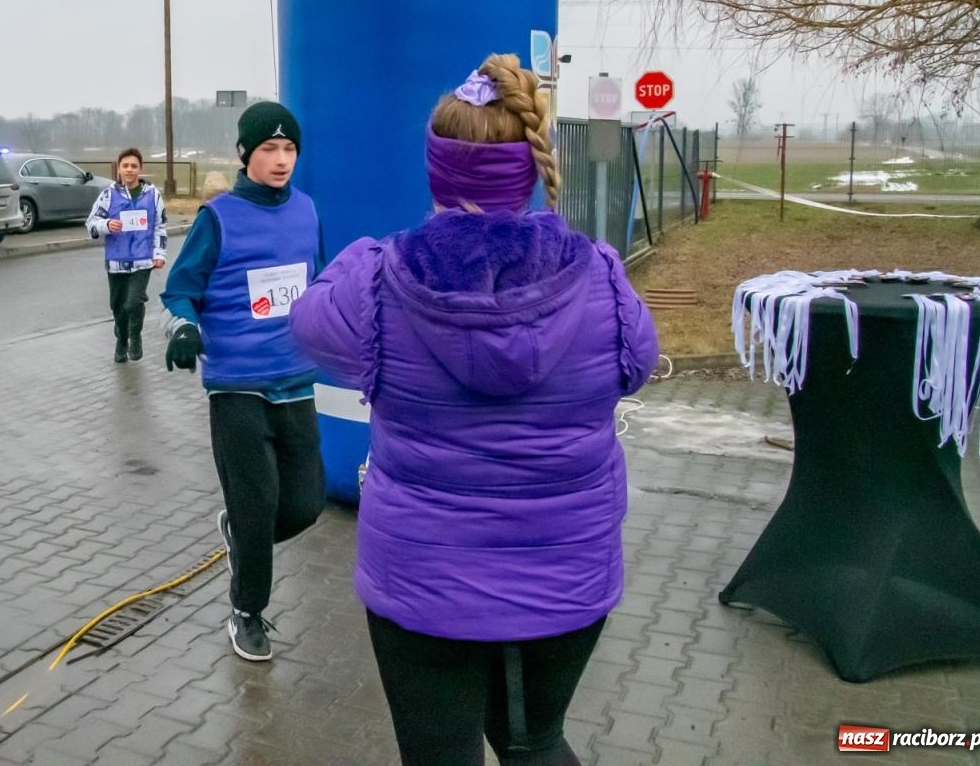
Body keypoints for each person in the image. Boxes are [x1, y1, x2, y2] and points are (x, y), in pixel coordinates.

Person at [289, 55, 659, 765]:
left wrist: (365, 250)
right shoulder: (603, 277)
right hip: (566, 578)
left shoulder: (378, 278)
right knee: (535, 743)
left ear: (436, 170)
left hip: (424, 584)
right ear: (527, 170)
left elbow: (308, 325)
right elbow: (637, 365)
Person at [161, 101, 327, 662]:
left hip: (296, 381)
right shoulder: (218, 218)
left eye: (289, 149)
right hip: (236, 387)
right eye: (269, 149)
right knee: (257, 508)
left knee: (305, 505)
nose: (281, 160)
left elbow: (322, 284)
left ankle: (240, 534)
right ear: (243, 154)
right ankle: (247, 611)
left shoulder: (307, 210)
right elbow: (179, 290)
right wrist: (184, 327)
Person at [86, 147, 167, 363]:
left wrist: (159, 254)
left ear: (140, 169)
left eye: (134, 166)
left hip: (143, 261)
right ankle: (121, 340)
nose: (129, 170)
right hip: (116, 262)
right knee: (118, 307)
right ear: (119, 169)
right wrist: (106, 225)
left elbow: (160, 226)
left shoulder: (152, 195)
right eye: (125, 166)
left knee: (133, 303)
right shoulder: (108, 195)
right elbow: (91, 224)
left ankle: (135, 336)